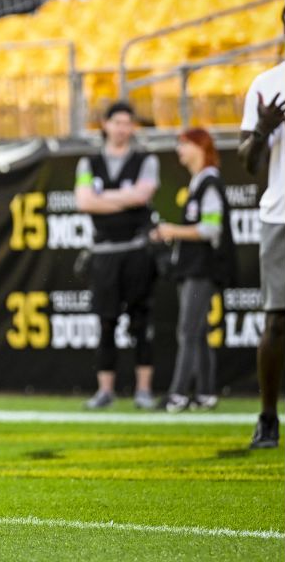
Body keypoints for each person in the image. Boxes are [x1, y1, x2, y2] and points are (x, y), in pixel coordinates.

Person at [75, 101, 160, 411]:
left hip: (137, 251)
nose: (123, 128)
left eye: (128, 123)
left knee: (141, 322)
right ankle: (106, 391)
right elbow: (84, 201)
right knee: (106, 323)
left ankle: (144, 390)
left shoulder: (145, 160)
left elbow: (143, 195)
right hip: (104, 254)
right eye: (118, 122)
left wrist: (103, 198)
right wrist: (124, 199)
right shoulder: (89, 162)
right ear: (105, 124)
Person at [150, 129, 235, 413]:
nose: (179, 151)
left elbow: (212, 229)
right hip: (193, 268)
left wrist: (173, 230)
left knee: (187, 332)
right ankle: (206, 393)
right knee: (197, 333)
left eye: (183, 145)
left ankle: (177, 394)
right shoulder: (200, 181)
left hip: (202, 269)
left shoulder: (208, 182)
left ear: (200, 147)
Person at [240, 57, 285, 448]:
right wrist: (261, 130)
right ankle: (268, 417)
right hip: (283, 214)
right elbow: (249, 163)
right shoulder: (268, 83)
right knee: (278, 322)